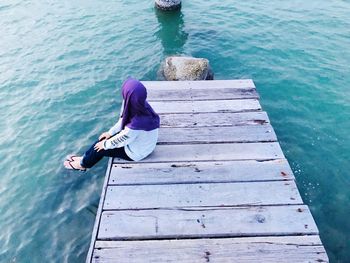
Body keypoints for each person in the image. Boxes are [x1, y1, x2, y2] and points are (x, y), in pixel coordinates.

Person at [63, 77, 160, 171]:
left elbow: (123, 139)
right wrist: (110, 133)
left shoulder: (136, 125)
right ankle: (84, 157)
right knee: (103, 139)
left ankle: (83, 164)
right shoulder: (141, 106)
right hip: (143, 145)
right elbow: (123, 120)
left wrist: (105, 145)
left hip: (136, 153)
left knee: (100, 148)